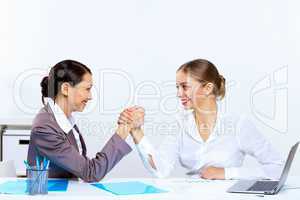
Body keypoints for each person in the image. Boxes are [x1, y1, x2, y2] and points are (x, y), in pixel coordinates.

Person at [118, 59, 284, 180]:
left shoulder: (238, 124)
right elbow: (160, 170)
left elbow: (278, 167)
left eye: (185, 86)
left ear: (207, 88)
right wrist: (137, 131)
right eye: (177, 87)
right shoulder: (180, 123)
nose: (178, 93)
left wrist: (226, 173)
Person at [27, 60, 132, 182]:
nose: (90, 96)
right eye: (87, 89)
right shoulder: (45, 128)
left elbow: (81, 165)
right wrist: (123, 131)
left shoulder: (64, 120)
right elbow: (91, 172)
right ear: (66, 89)